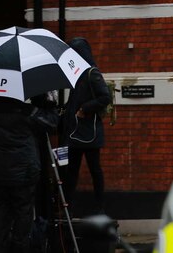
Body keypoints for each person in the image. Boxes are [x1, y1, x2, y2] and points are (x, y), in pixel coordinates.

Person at [0, 92, 57, 253]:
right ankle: (19, 248)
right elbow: (52, 124)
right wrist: (48, 103)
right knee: (23, 213)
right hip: (24, 171)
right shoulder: (26, 111)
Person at [63, 37, 111, 214]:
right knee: (71, 171)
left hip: (90, 132)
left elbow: (105, 98)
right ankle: (67, 206)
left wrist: (85, 108)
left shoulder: (92, 73)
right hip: (75, 132)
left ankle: (99, 207)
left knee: (95, 171)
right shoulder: (77, 74)